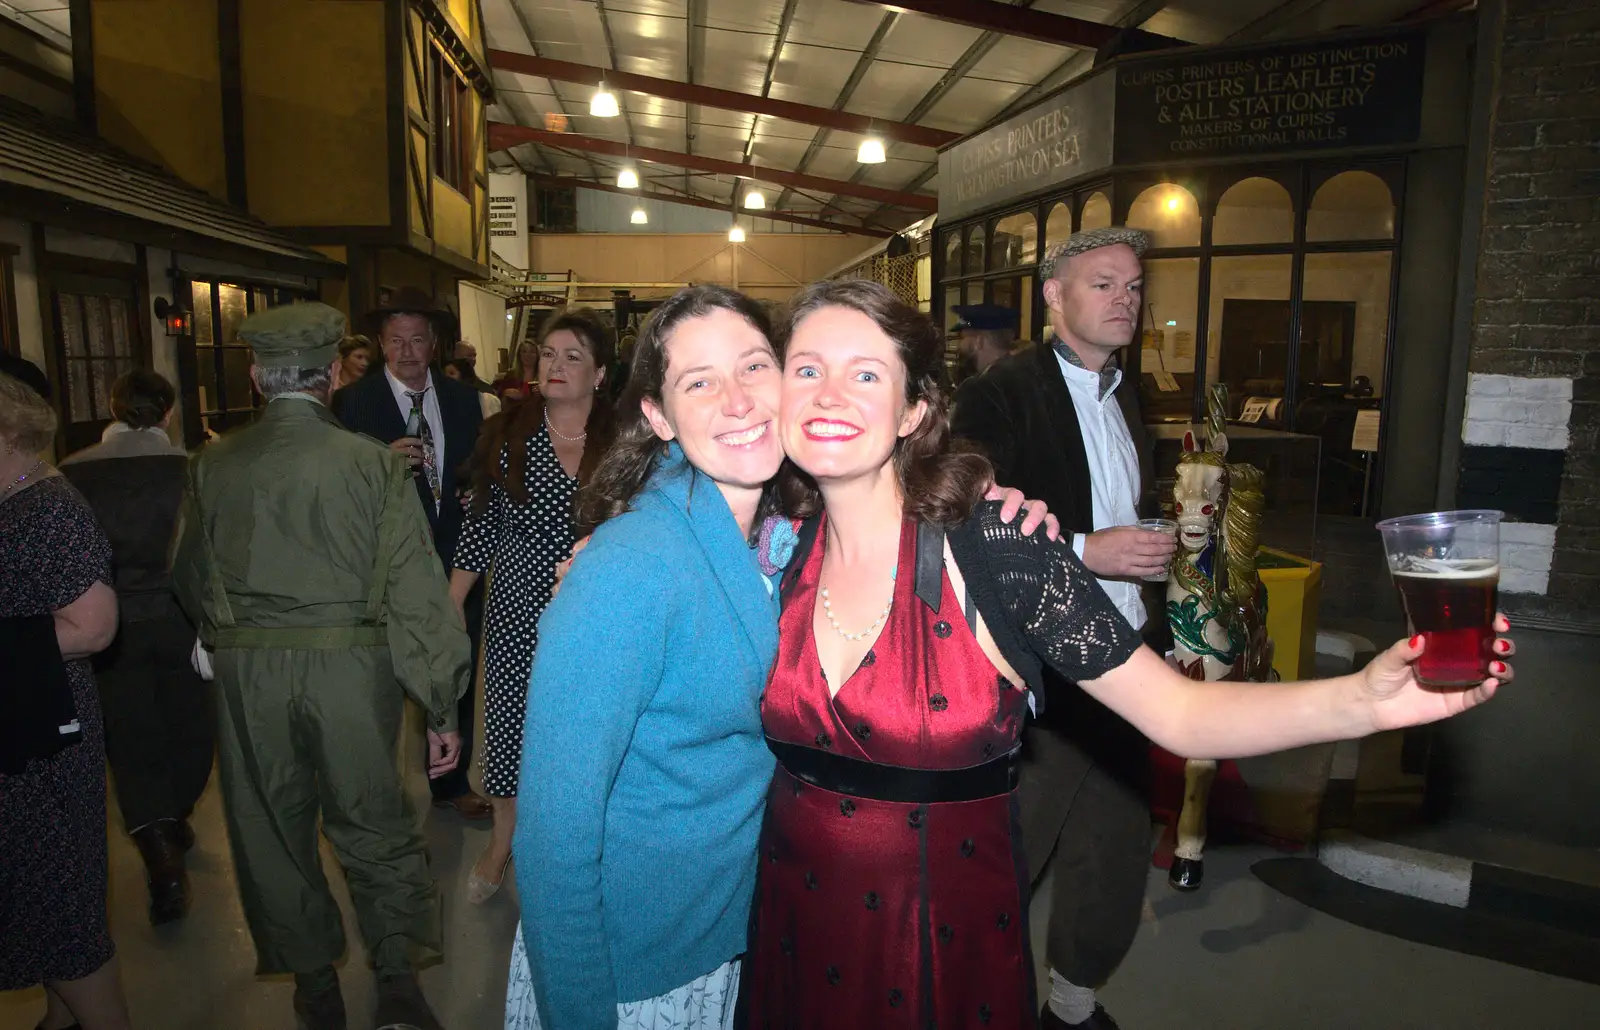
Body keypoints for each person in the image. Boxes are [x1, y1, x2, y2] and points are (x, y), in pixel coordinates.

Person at [739, 278, 1514, 1029]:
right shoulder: (772, 550)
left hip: (938, 937)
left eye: (865, 372)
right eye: (806, 369)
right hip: (790, 914)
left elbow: (1181, 712)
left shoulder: (996, 547)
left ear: (913, 409)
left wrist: (1366, 699)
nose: (829, 393)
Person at [504, 287, 1052, 1030]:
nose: (738, 401)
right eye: (699, 383)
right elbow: (551, 843)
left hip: (747, 941)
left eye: (756, 367)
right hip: (629, 971)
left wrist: (988, 505)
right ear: (658, 417)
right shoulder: (629, 570)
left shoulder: (790, 537)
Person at [170, 302, 472, 1030]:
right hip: (351, 670)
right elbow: (414, 591)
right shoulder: (373, 466)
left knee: (271, 826)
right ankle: (397, 980)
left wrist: (232, 633)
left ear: (255, 376)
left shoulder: (212, 465)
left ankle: (314, 986)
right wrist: (439, 705)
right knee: (374, 821)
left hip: (251, 676)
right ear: (334, 375)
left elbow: (187, 574)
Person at [950, 227, 1176, 1029]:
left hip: (1126, 650)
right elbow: (960, 515)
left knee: (1112, 846)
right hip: (1041, 665)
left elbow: (1119, 503)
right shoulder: (1002, 393)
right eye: (1105, 283)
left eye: (1134, 286)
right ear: (1054, 297)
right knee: (1010, 847)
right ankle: (971, 1001)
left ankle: (1073, 1006)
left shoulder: (1129, 389)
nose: (1126, 299)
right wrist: (1089, 549)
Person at [450, 307, 614, 905]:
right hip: (519, 609)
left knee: (588, 728)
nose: (557, 365)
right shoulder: (507, 433)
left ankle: (580, 843)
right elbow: (480, 529)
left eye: (574, 356)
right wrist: (454, 602)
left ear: (599, 374)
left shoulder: (623, 441)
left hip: (600, 612)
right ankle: (501, 843)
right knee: (511, 727)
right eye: (549, 353)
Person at [1, 371, 133, 1030]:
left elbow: (94, 624)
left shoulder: (46, 507)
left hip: (46, 744)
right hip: (28, 727)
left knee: (61, 914)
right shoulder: (16, 499)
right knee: (45, 906)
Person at [60, 370, 214, 927]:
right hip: (181, 617)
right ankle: (170, 823)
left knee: (131, 738)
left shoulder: (71, 473)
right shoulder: (192, 469)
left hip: (105, 623)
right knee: (192, 728)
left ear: (111, 405)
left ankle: (158, 846)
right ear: (169, 412)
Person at [333, 287, 492, 821]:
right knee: (385, 673)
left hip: (455, 555)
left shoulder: (463, 399)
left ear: (433, 344)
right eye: (395, 341)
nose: (406, 351)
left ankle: (449, 783)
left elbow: (477, 468)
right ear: (380, 345)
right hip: (386, 562)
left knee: (456, 663)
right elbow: (339, 492)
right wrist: (379, 464)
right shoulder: (354, 404)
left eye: (417, 340)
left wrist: (476, 487)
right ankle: (381, 794)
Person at [950, 302, 1021, 383]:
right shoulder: (1022, 377)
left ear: (979, 341)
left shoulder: (980, 388)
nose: (959, 345)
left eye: (962, 337)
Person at [495, 338, 540, 403]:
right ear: (519, 355)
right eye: (524, 352)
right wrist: (507, 392)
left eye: (532, 352)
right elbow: (499, 397)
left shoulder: (544, 376)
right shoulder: (511, 375)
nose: (528, 355)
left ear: (537, 355)